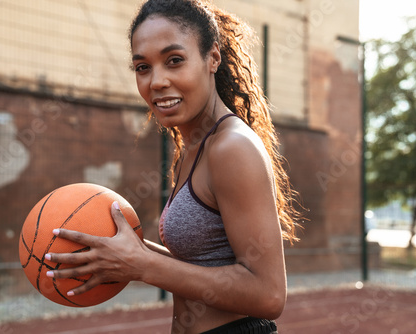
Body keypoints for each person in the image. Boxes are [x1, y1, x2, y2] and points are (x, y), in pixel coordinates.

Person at [45, 0, 301, 332]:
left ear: (213, 58)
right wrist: (119, 252)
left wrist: (142, 264)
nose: (157, 81)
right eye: (142, 67)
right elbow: (198, 265)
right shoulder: (194, 146)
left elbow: (268, 295)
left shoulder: (231, 147)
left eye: (174, 61)